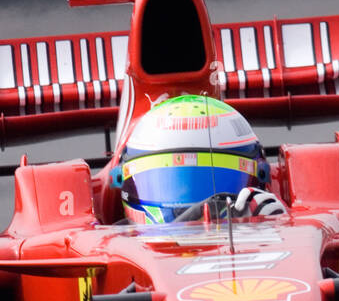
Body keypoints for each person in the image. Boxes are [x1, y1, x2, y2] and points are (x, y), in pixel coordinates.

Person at [113, 94, 288, 224]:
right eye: (169, 185)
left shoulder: (264, 221)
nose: (206, 208)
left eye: (209, 187)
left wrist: (279, 225)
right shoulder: (109, 246)